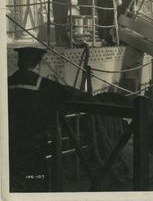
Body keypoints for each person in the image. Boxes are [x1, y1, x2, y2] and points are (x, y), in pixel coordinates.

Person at [8, 47, 92, 192]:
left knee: (14, 177)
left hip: (10, 141)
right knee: (36, 179)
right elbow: (66, 96)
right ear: (38, 63)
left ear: (19, 62)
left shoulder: (7, 83)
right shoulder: (43, 85)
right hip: (34, 142)